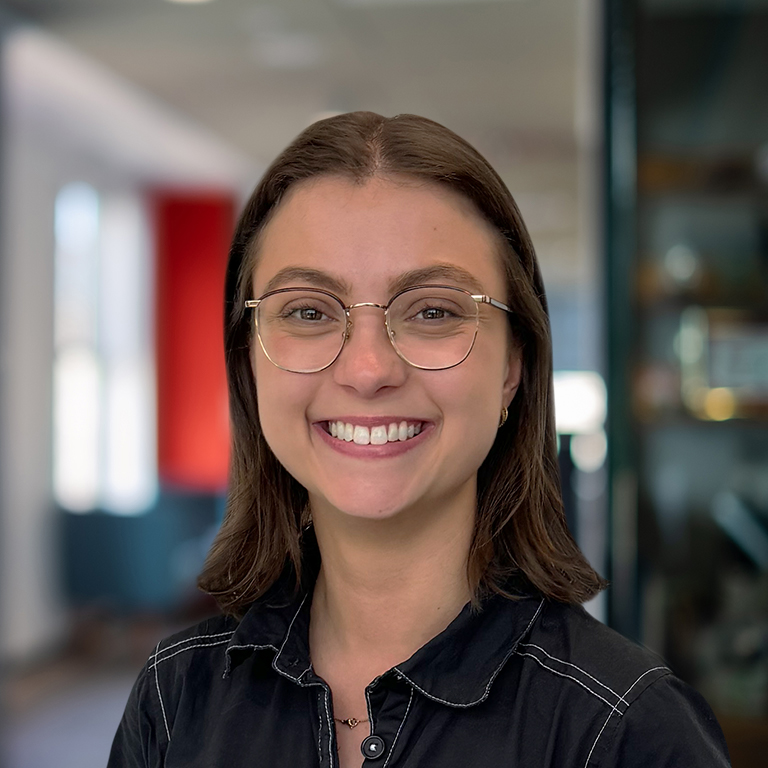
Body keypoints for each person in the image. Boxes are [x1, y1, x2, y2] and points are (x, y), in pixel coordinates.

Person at [108, 112, 730, 768]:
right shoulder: (176, 699)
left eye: (432, 311)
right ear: (249, 363)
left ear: (513, 367)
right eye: (309, 312)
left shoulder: (629, 731)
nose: (369, 370)